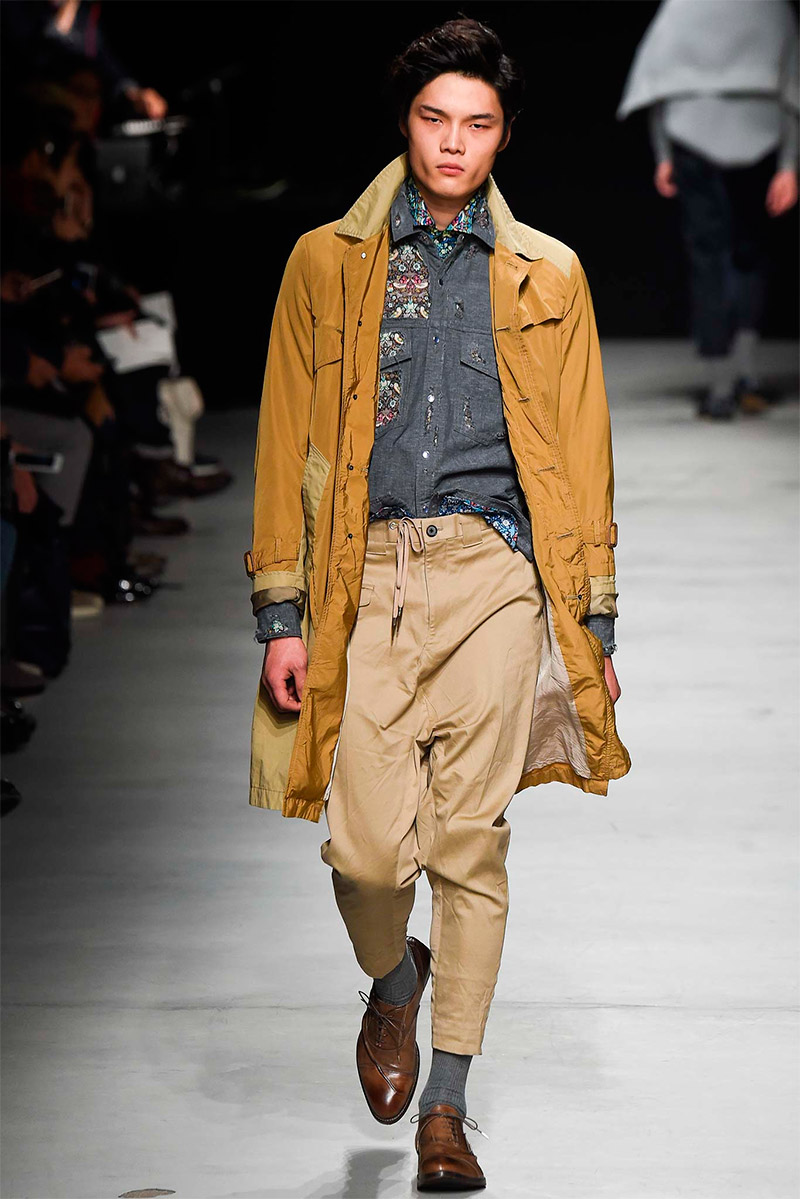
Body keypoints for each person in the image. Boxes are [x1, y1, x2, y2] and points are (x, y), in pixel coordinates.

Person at [245, 17, 630, 1192]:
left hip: (494, 572)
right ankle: (392, 979)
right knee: (364, 853)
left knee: (471, 842)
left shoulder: (548, 273)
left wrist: (593, 623)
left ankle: (447, 1106)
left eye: (476, 123)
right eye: (433, 119)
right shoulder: (324, 262)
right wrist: (279, 611)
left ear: (503, 135)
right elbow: (282, 438)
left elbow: (582, 452)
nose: (453, 143)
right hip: (359, 573)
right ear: (404, 123)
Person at [617, 0, 799, 420]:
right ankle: (743, 377)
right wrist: (789, 165)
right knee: (748, 255)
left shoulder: (682, 8)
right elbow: (790, 87)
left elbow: (661, 85)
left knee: (711, 259)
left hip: (692, 136)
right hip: (759, 137)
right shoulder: (769, 7)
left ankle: (723, 386)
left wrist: (664, 155)